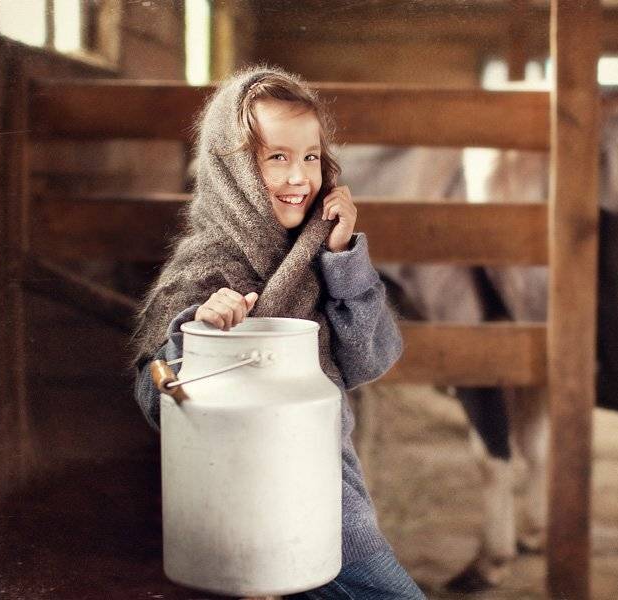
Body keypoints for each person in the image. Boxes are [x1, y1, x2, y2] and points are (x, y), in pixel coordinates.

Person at [130, 65, 425, 599]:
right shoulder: (202, 270)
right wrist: (196, 335)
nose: (298, 178)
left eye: (310, 156)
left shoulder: (320, 252)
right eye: (276, 158)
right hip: (233, 512)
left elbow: (372, 358)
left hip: (329, 503)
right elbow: (156, 397)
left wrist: (343, 260)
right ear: (234, 170)